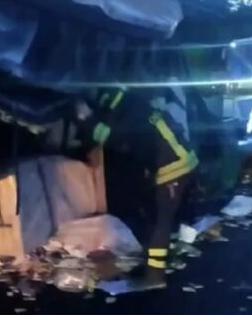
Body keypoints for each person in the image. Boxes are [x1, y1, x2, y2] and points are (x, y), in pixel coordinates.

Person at [73, 86, 198, 288]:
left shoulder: (126, 107)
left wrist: (84, 118)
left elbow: (107, 135)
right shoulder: (128, 102)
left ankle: (155, 277)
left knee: (161, 222)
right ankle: (162, 258)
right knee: (158, 216)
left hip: (174, 166)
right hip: (174, 160)